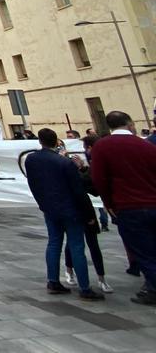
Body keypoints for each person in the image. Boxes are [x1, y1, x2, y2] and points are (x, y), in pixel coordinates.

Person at [25, 128, 104, 301]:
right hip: (71, 209)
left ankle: (53, 280)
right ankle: (84, 287)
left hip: (49, 208)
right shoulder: (64, 163)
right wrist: (89, 214)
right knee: (76, 246)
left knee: (54, 243)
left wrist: (42, 203)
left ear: (40, 141)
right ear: (57, 142)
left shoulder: (31, 159)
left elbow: (33, 184)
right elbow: (78, 191)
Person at [90, 111, 156, 306]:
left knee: (142, 251)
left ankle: (153, 288)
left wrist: (109, 203)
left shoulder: (102, 146)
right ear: (129, 124)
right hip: (152, 202)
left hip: (128, 206)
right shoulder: (145, 145)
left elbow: (99, 179)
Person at [62, 135, 113, 293]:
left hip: (85, 211)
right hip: (73, 212)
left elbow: (93, 189)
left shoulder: (87, 168)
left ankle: (101, 277)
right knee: (73, 244)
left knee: (92, 245)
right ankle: (70, 271)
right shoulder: (64, 170)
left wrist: (83, 169)